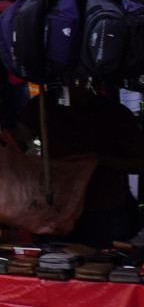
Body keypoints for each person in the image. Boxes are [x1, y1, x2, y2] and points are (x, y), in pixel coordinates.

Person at [47, 86, 144, 248]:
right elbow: (20, 137)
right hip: (55, 208)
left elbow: (140, 164)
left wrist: (100, 160)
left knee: (106, 263)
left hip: (103, 207)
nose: (77, 85)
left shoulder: (115, 113)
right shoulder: (47, 106)